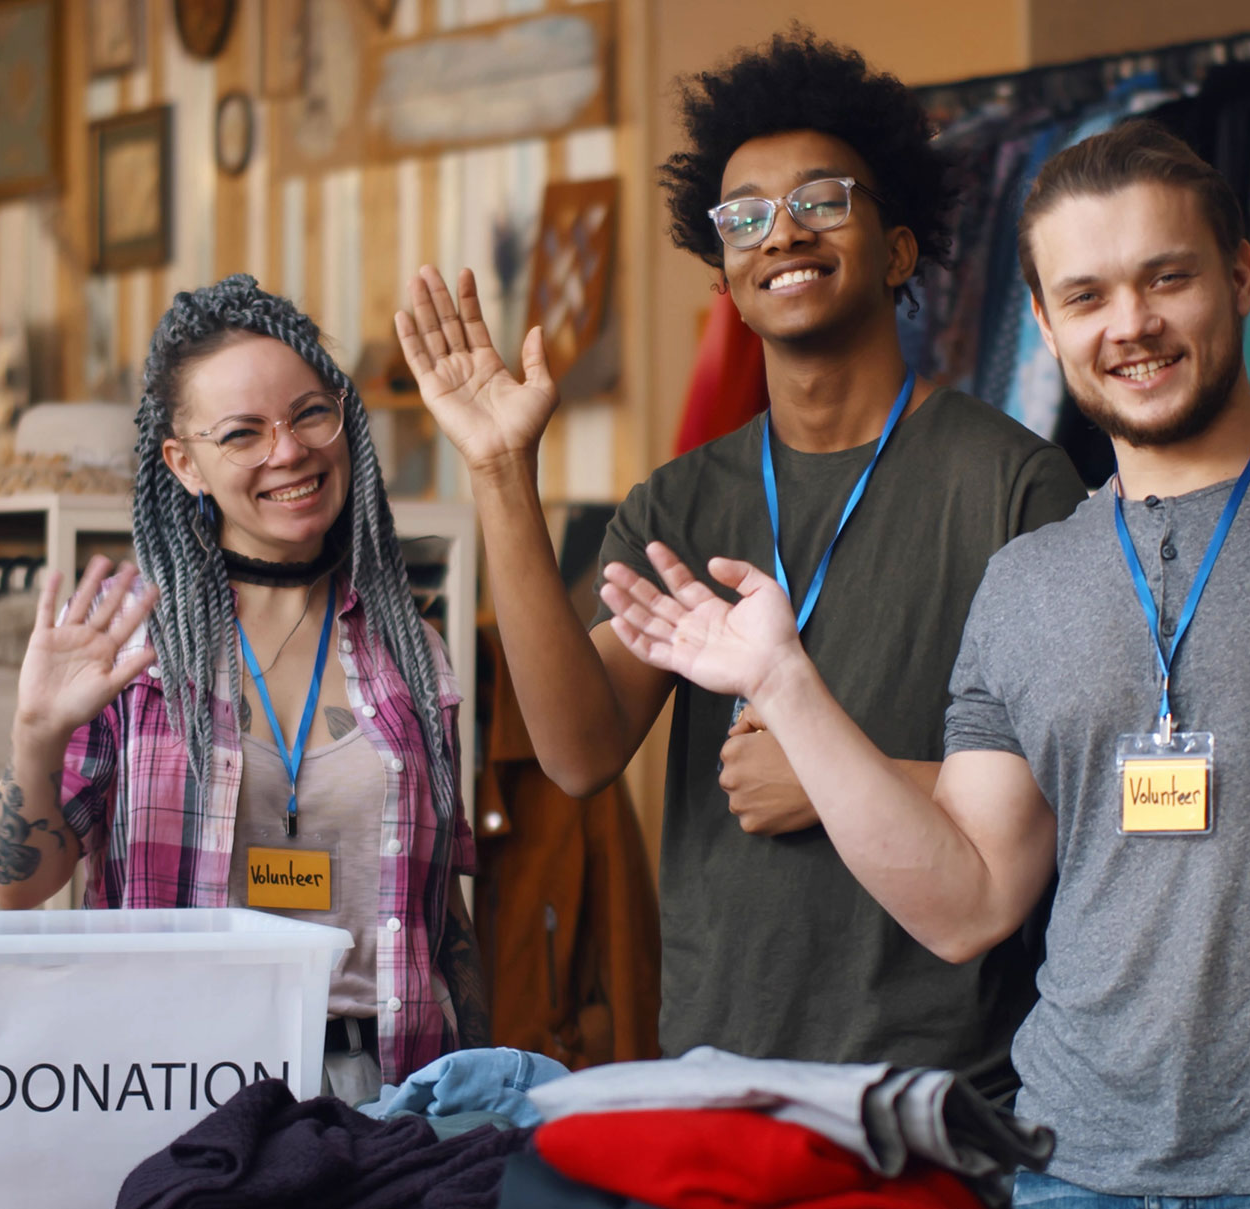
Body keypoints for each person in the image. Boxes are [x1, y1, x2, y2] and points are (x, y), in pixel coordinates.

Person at [597, 120, 1250, 1209]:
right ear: (1046, 325)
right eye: (1088, 295)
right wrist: (782, 681)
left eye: (1167, 278)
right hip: (1065, 1181)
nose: (1133, 325)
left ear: (1240, 275)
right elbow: (967, 896)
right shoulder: (1027, 579)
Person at [394, 28, 1087, 1097]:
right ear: (725, 273)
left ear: (899, 249)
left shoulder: (1014, 486)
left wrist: (832, 770)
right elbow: (577, 751)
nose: (782, 232)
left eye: (821, 200)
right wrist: (499, 474)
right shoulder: (682, 501)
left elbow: (1074, 795)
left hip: (947, 1081)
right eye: (746, 216)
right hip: (719, 1063)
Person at [0, 276, 486, 1100]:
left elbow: (447, 924)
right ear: (184, 463)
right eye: (242, 434)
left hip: (386, 1096)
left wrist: (474, 1101)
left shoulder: (412, 652)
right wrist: (35, 735)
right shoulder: (131, 650)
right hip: (175, 1090)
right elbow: (20, 884)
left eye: (309, 414)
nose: (288, 452)